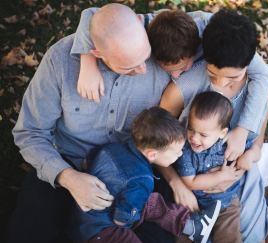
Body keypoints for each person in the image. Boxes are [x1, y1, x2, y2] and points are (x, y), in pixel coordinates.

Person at [8, 4, 173, 243]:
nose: (144, 69)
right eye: (129, 67)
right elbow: (30, 132)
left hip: (135, 169)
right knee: (29, 232)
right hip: (71, 162)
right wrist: (68, 178)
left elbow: (215, 26)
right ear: (96, 53)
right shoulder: (60, 60)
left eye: (145, 57)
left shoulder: (159, 39)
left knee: (161, 236)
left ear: (140, 21)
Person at [160, 10, 268, 242]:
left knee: (251, 237)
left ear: (248, 65)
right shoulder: (183, 89)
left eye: (232, 78)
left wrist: (255, 150)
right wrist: (177, 184)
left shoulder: (256, 81)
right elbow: (156, 139)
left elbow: (262, 115)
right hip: (188, 178)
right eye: (212, 74)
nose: (221, 84)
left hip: (235, 181)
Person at [70, 107, 221, 243]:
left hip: (82, 216)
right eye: (176, 152)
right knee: (148, 203)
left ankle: (192, 227)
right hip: (103, 231)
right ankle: (191, 227)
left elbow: (88, 161)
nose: (180, 155)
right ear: (152, 154)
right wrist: (135, 218)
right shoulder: (142, 179)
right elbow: (122, 219)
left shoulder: (111, 148)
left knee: (150, 201)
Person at [176, 92, 245, 243]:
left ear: (222, 133)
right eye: (191, 129)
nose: (194, 138)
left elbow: (243, 160)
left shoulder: (228, 145)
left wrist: (242, 165)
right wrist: (221, 176)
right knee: (184, 235)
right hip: (195, 205)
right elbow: (191, 182)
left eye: (203, 135)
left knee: (229, 237)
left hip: (225, 203)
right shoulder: (185, 150)